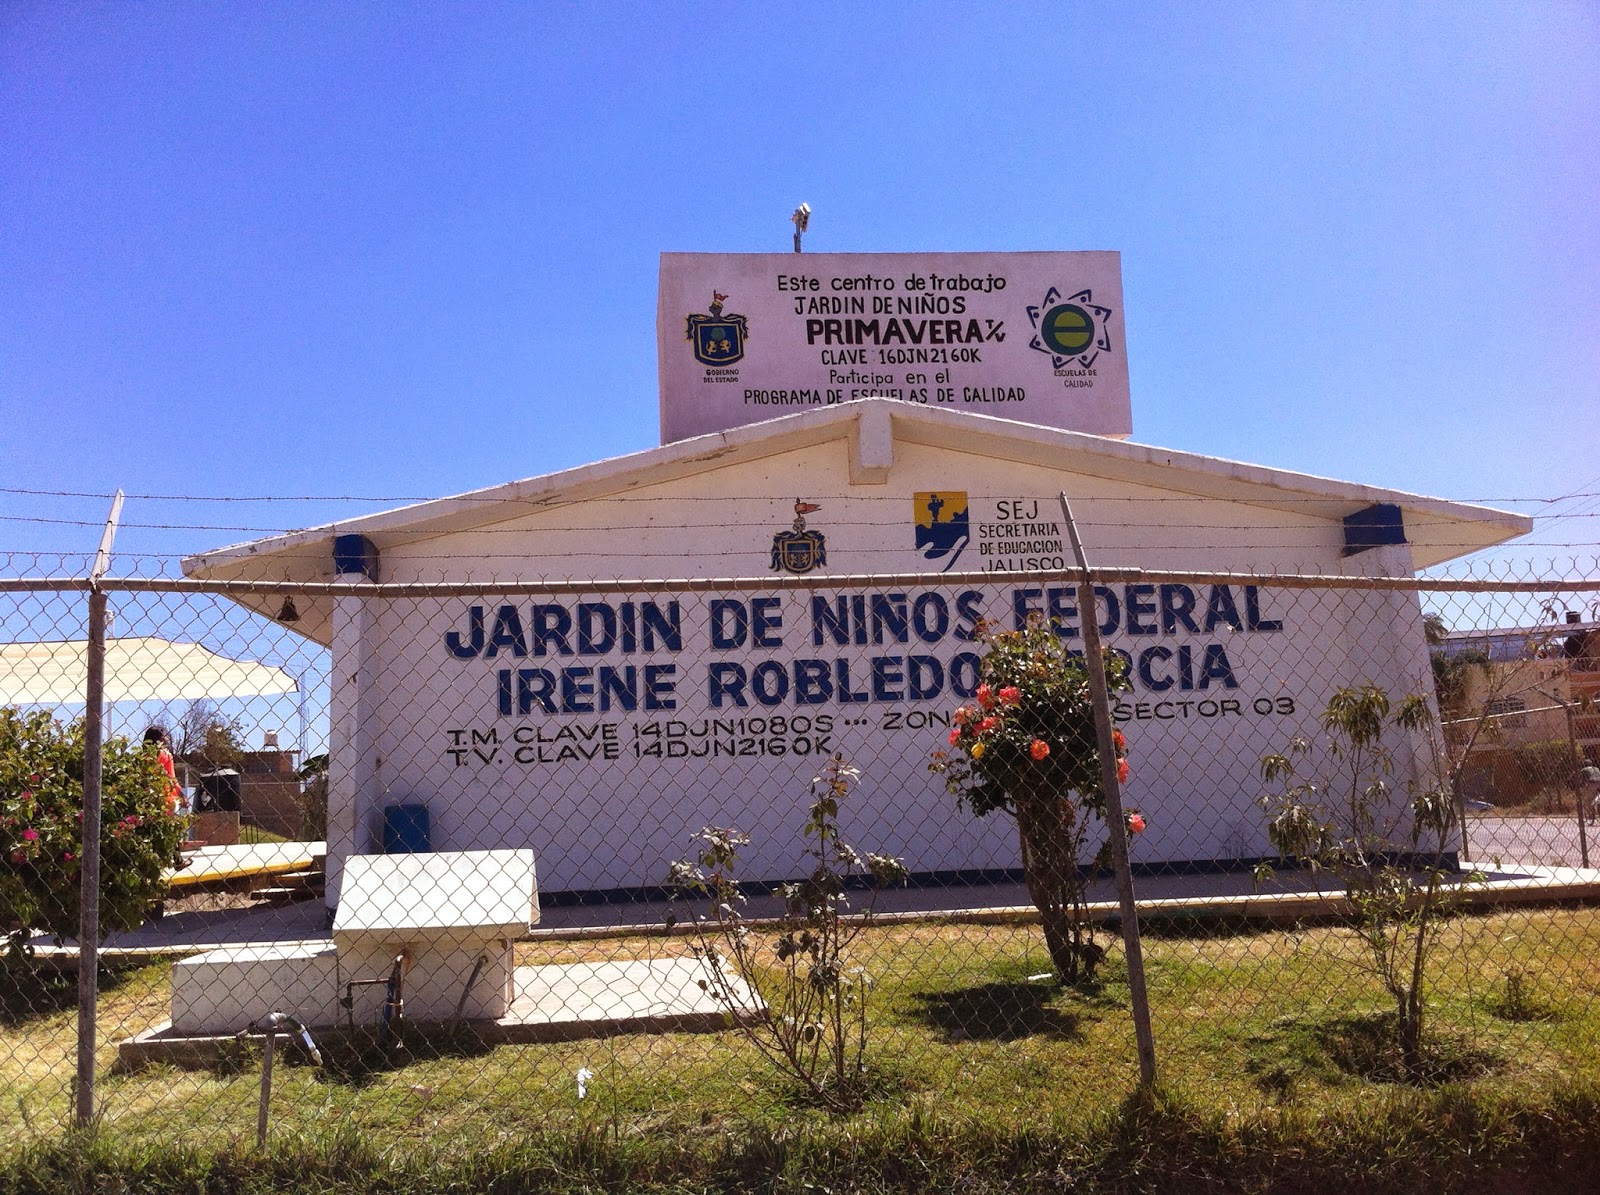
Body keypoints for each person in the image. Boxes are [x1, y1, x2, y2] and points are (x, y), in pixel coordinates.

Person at [142, 726, 185, 816]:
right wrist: (181, 794)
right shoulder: (166, 755)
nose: (165, 740)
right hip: (167, 797)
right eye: (163, 737)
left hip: (146, 796)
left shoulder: (143, 755)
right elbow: (172, 777)